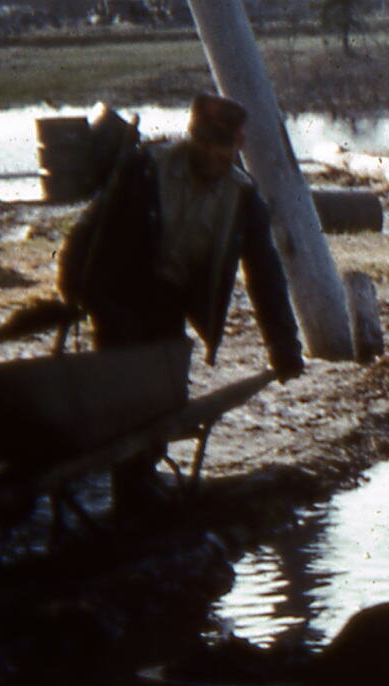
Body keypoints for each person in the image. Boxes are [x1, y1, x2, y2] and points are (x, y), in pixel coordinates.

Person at [58, 92, 302, 506]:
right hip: (118, 291)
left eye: (222, 146)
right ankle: (129, 487)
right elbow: (89, 229)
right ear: (191, 137)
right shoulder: (146, 167)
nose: (212, 153)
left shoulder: (241, 196)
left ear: (236, 146)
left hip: (171, 300)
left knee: (163, 393)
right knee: (126, 390)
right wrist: (73, 288)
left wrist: (283, 343)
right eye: (204, 143)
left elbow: (265, 274)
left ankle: (142, 476)